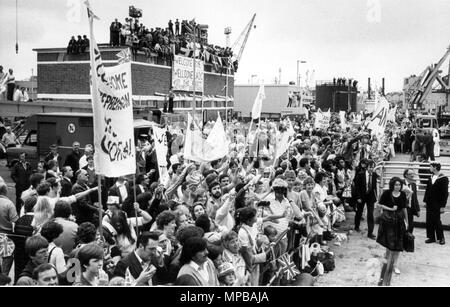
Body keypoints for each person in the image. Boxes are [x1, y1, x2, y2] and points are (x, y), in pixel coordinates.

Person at [376, 177, 408, 276]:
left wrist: (407, 221)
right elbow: (379, 205)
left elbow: (404, 208)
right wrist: (391, 208)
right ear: (392, 185)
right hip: (388, 221)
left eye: (399, 185)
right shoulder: (386, 193)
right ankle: (387, 261)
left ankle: (395, 265)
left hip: (399, 221)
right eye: (396, 185)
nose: (398, 187)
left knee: (398, 245)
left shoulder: (402, 194)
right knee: (389, 245)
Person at [423, 162, 448, 245]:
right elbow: (427, 190)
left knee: (437, 220)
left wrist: (443, 206)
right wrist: (425, 201)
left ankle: (441, 237)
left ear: (435, 167)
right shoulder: (431, 177)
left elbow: (445, 193)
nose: (429, 168)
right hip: (430, 202)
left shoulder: (443, 178)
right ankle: (431, 237)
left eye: (431, 166)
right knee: (429, 220)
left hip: (437, 203)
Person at [353, 160, 378, 239]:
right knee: (359, 211)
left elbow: (374, 187)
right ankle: (357, 226)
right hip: (362, 195)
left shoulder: (374, 175)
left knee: (370, 214)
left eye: (373, 167)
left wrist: (375, 197)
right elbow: (356, 187)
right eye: (370, 167)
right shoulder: (360, 174)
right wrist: (358, 197)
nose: (372, 169)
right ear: (367, 167)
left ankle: (370, 232)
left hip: (370, 197)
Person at [0, 183, 19, 275]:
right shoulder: (8, 204)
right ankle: (3, 279)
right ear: (5, 191)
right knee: (7, 258)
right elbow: (15, 220)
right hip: (6, 236)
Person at [403, 169, 420, 234]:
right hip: (402, 207)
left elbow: (415, 198)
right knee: (403, 225)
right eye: (410, 174)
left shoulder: (413, 184)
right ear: (406, 175)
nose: (412, 175)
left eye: (413, 174)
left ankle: (409, 240)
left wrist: (418, 210)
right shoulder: (401, 183)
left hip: (410, 208)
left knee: (411, 226)